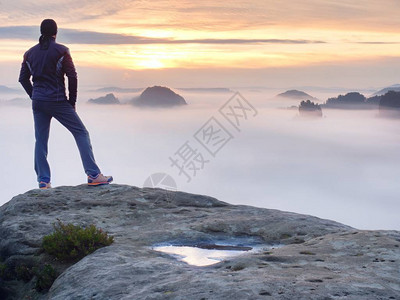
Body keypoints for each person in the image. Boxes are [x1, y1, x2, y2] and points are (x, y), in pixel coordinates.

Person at [19, 19, 113, 189]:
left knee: (40, 140)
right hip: (57, 101)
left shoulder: (29, 54)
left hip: (39, 102)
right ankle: (93, 174)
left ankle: (43, 181)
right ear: (56, 32)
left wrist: (35, 95)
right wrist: (71, 102)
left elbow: (23, 79)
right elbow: (72, 76)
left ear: (41, 31)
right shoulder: (62, 51)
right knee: (81, 133)